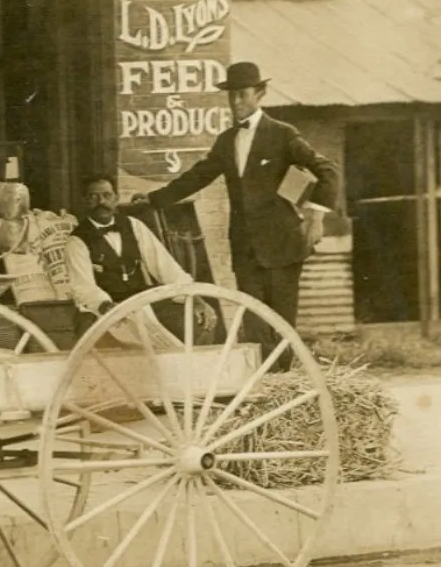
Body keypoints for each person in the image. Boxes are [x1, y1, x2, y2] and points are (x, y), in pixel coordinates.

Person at [133, 61, 337, 353]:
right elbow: (199, 175)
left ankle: (282, 379)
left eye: (243, 94)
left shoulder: (282, 134)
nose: (236, 102)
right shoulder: (227, 140)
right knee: (253, 319)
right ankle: (261, 384)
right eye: (231, 95)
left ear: (260, 93)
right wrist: (155, 198)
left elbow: (328, 171)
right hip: (245, 247)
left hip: (282, 244)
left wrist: (316, 219)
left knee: (281, 321)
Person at [66, 173, 214, 349]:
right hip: (106, 309)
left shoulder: (133, 225)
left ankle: (187, 372)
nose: (101, 202)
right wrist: (106, 306)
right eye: (93, 196)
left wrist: (193, 296)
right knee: (108, 339)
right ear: (84, 201)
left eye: (107, 195)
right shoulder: (77, 240)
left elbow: (165, 266)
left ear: (116, 199)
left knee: (195, 321)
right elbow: (83, 287)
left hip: (142, 301)